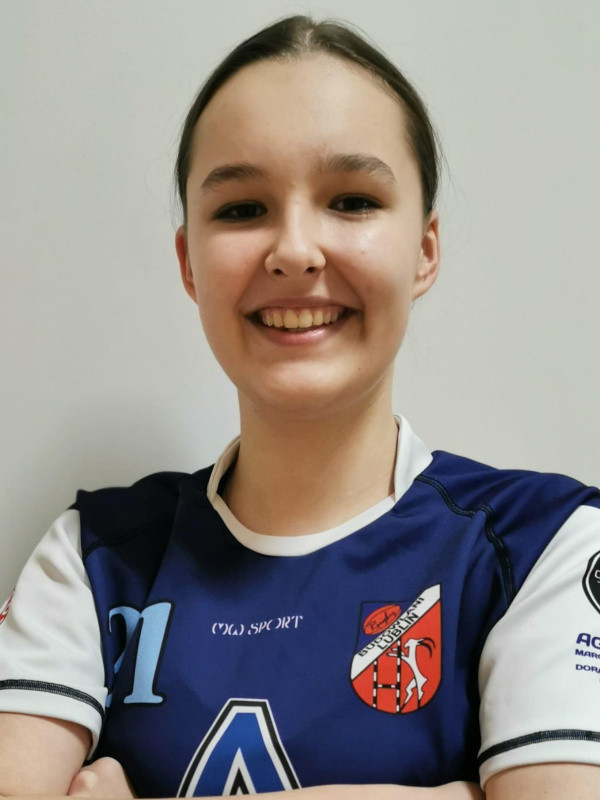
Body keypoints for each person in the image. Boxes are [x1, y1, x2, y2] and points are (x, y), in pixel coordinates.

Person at [0, 13, 599, 800]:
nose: (293, 251)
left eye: (351, 200)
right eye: (242, 209)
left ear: (425, 249)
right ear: (189, 263)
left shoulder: (545, 544)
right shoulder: (92, 556)